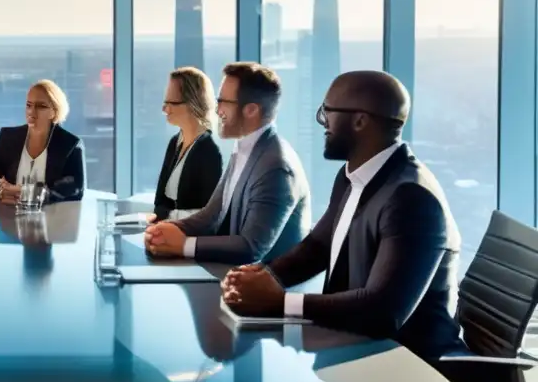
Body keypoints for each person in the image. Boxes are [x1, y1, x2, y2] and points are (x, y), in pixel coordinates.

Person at [221, 70, 467, 360]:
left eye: (327, 112)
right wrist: (262, 276)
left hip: (407, 366)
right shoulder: (351, 176)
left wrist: (282, 302)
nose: (322, 122)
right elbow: (318, 247)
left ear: (360, 120)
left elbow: (383, 312)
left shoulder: (411, 198)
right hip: (353, 349)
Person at [145, 62, 310, 265]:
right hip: (235, 275)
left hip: (264, 288)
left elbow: (252, 247)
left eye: (222, 102)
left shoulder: (276, 167)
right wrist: (165, 231)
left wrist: (183, 245)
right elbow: (212, 214)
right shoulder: (245, 147)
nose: (216, 110)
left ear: (250, 110)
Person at [0, 79, 85, 203]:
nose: (32, 112)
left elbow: (75, 190)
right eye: (29, 105)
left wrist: (29, 194)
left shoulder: (70, 145)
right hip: (8, 216)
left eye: (40, 106)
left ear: (54, 111)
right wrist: (1, 192)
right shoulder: (8, 137)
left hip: (51, 220)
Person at [151, 67, 224, 222]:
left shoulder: (210, 150)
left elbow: (209, 214)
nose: (164, 109)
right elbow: (160, 201)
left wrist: (166, 218)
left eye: (171, 102)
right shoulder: (175, 142)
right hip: (166, 233)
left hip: (191, 239)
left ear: (192, 104)